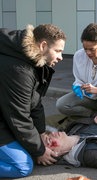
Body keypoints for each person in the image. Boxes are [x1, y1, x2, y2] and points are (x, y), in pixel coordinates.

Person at [0, 24, 66, 178]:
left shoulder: (33, 60)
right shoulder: (19, 70)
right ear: (43, 45)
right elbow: (19, 117)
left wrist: (41, 133)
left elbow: (35, 102)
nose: (61, 57)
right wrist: (40, 150)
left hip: (4, 113)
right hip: (6, 116)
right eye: (58, 51)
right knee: (23, 166)